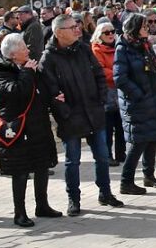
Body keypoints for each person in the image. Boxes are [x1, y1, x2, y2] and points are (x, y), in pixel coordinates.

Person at [39, 13, 123, 214]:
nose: (78, 29)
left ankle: (105, 192)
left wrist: (100, 100)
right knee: (72, 160)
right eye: (72, 27)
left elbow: (99, 76)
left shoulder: (84, 49)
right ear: (59, 32)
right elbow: (51, 92)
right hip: (70, 117)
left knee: (102, 156)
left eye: (77, 26)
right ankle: (73, 199)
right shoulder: (48, 58)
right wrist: (64, 112)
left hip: (93, 111)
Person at [0, 33, 62, 227]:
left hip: (39, 127)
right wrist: (27, 72)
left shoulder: (30, 68)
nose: (28, 50)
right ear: (13, 54)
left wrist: (54, 97)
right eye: (23, 48)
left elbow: (41, 93)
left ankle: (42, 205)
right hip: (17, 130)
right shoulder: (0, 72)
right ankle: (19, 212)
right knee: (20, 172)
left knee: (42, 166)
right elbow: (16, 92)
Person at [114, 12, 156, 195]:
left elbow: (155, 68)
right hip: (137, 103)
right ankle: (126, 181)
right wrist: (139, 95)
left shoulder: (145, 46)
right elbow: (120, 78)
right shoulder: (123, 48)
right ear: (135, 29)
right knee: (138, 142)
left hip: (152, 99)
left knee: (152, 138)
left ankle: (149, 175)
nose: (148, 29)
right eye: (144, 26)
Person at [91, 22, 124, 166]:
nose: (110, 34)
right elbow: (101, 71)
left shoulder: (118, 47)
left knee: (121, 124)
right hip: (106, 92)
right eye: (106, 33)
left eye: (112, 31)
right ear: (99, 35)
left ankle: (121, 154)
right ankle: (107, 155)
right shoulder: (96, 50)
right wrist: (119, 74)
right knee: (108, 127)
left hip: (120, 90)